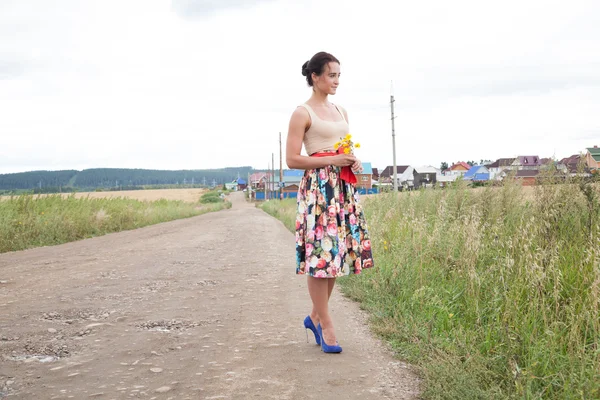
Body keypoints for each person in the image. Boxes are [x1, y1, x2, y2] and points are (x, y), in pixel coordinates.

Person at [285, 51, 375, 354]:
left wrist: (351, 160)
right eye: (331, 75)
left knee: (335, 256)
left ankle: (314, 317)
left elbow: (343, 146)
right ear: (315, 77)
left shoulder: (341, 111)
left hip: (342, 189)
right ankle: (327, 325)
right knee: (320, 256)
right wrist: (332, 158)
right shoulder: (302, 113)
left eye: (339, 75)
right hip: (318, 191)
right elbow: (292, 158)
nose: (336, 81)